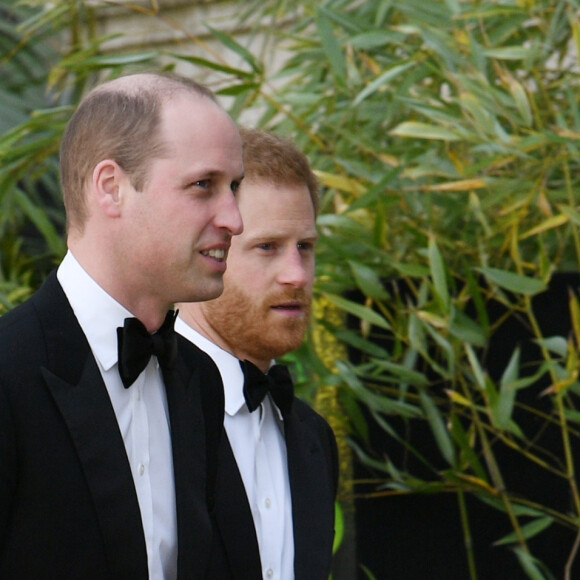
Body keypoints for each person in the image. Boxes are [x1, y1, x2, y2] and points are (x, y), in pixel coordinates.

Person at [0, 72, 244, 579]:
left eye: (233, 188)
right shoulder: (8, 371)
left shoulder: (200, 379)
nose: (235, 219)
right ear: (111, 188)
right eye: (204, 185)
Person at [176, 128, 339, 580]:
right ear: (208, 247)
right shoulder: (137, 407)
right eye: (267, 247)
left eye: (304, 248)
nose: (296, 275)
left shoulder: (313, 439)